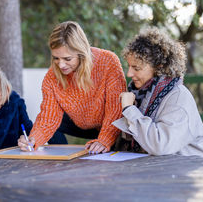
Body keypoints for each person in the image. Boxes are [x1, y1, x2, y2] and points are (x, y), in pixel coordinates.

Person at [18, 21, 126, 154]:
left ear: (82, 53)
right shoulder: (51, 77)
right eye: (56, 58)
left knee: (108, 150)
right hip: (78, 122)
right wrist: (33, 139)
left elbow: (116, 109)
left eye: (67, 59)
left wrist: (105, 139)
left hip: (107, 124)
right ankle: (63, 158)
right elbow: (48, 118)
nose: (61, 65)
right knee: (53, 126)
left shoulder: (109, 61)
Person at [112, 28, 203, 159]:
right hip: (157, 169)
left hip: (186, 170)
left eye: (136, 68)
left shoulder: (178, 97)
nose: (129, 74)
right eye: (129, 66)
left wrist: (129, 109)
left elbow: (160, 145)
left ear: (159, 66)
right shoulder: (139, 94)